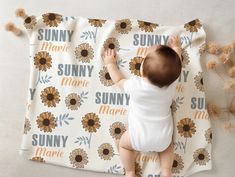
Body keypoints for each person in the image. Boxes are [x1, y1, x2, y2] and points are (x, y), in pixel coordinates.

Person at [101, 36, 182, 177]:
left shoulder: (135, 85)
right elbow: (178, 61)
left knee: (124, 145)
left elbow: (119, 80)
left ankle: (130, 171)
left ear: (142, 72)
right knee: (167, 148)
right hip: (162, 138)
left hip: (137, 137)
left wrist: (110, 64)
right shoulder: (171, 84)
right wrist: (176, 48)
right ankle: (166, 171)